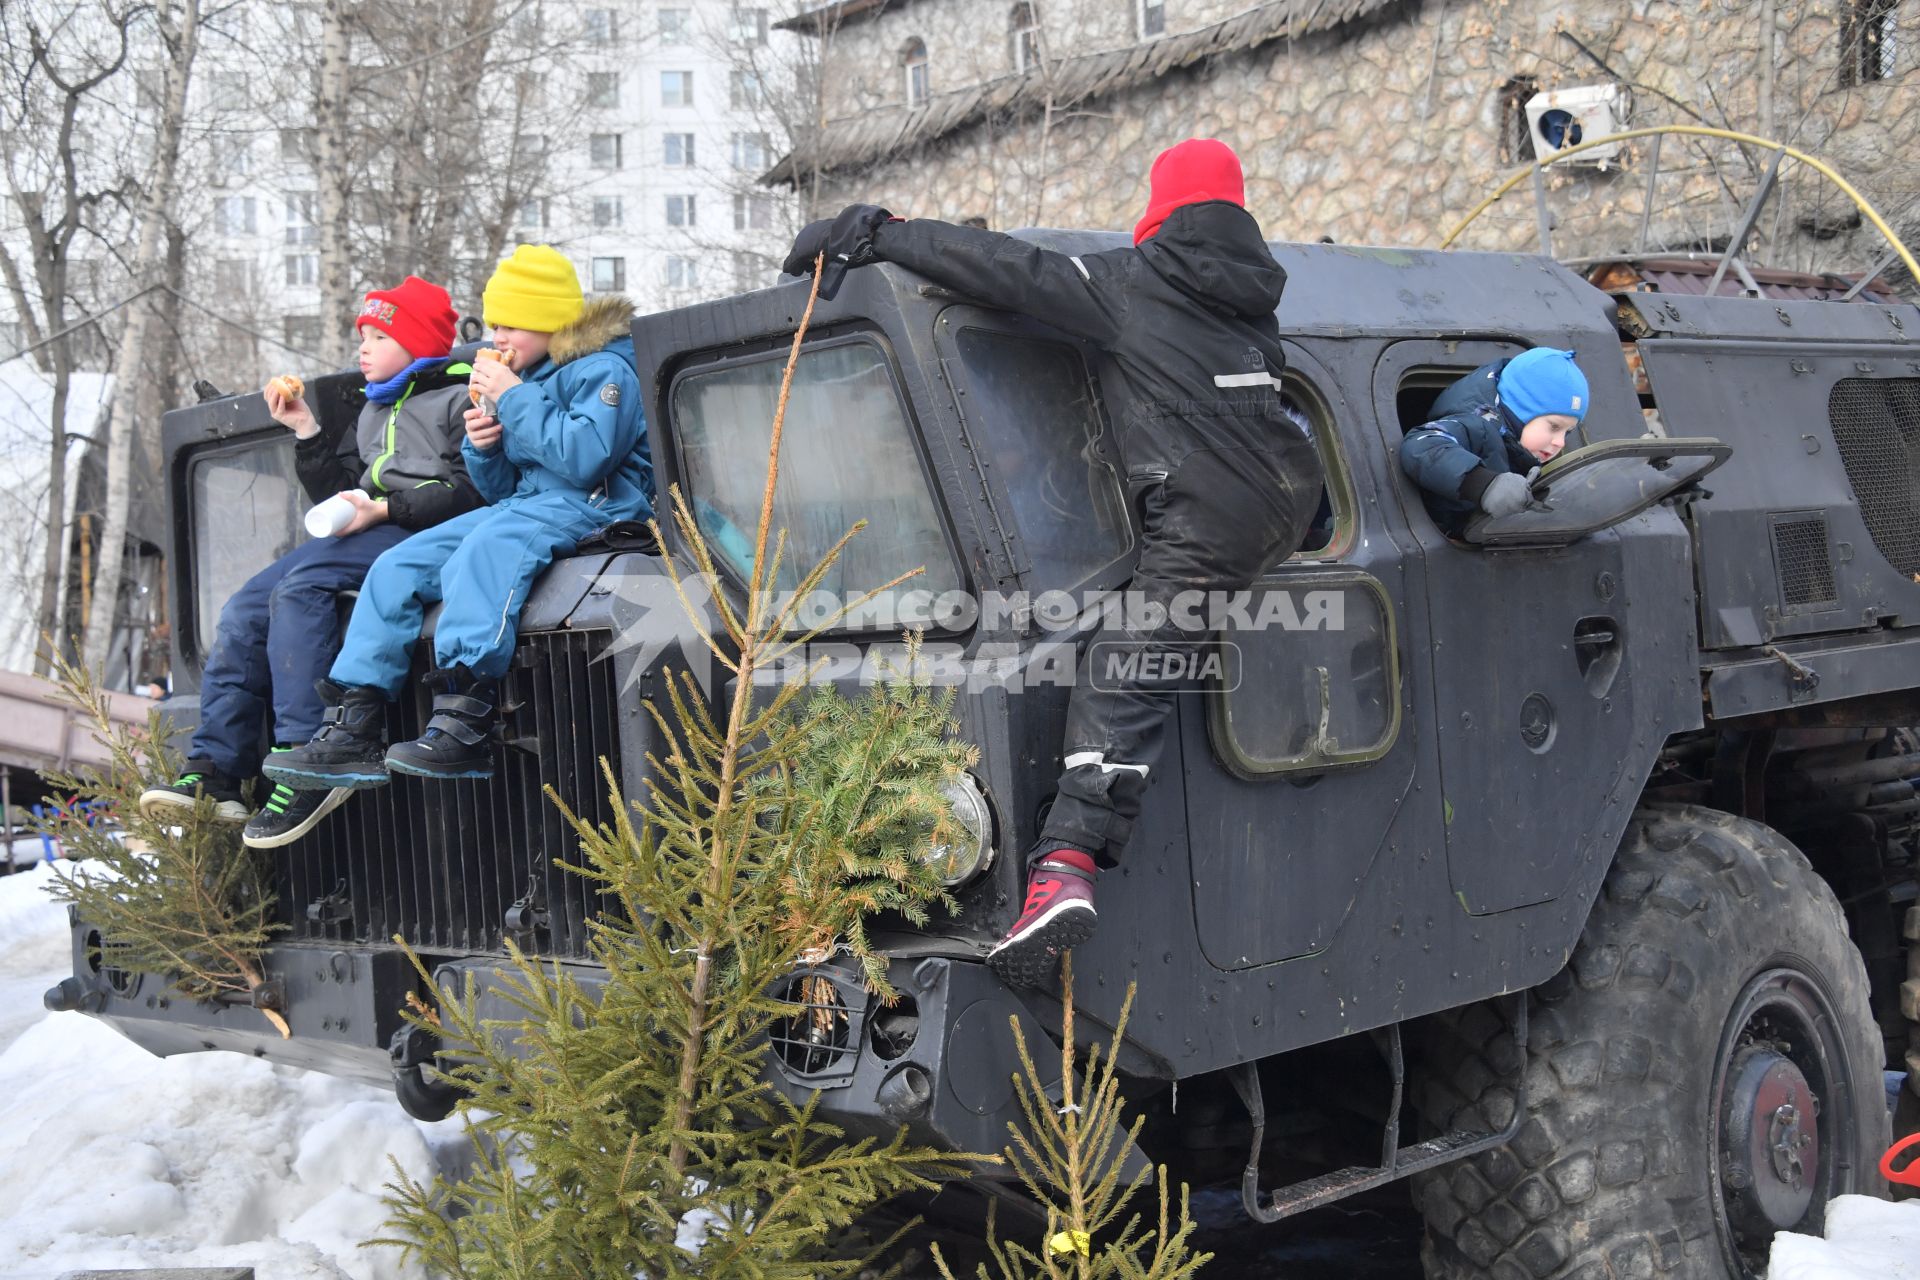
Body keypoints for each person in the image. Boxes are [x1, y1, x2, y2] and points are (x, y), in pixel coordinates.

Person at [782, 138, 1323, 988]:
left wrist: (880, 230)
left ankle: (1064, 866)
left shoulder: (1134, 282)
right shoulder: (1249, 299)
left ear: (1161, 211)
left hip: (1213, 511)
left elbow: (1008, 269)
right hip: (1294, 492)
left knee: (1127, 665)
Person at [265, 245, 652, 790]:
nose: (498, 337)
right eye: (494, 323)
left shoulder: (604, 370)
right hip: (530, 503)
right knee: (398, 564)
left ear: (549, 320)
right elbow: (501, 490)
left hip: (597, 502)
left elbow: (587, 458)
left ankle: (466, 713)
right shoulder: (527, 377)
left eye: (511, 325)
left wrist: (515, 400)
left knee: (488, 547)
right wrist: (484, 449)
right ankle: (355, 722)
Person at [139, 277, 478, 848]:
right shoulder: (374, 411)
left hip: (421, 529)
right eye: (361, 336)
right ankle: (218, 767)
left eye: (377, 335)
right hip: (368, 524)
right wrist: (307, 430)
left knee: (302, 586)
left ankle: (302, 756)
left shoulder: (459, 399)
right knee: (246, 604)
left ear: (418, 343)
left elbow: (472, 489)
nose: (363, 347)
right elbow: (339, 486)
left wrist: (388, 506)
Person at [1399, 347, 1588, 537]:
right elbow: (1422, 445)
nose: (1560, 442)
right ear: (1519, 411)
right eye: (1554, 427)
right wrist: (1484, 484)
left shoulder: (1522, 452)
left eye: (1568, 432)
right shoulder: (1477, 427)